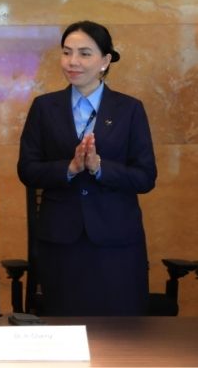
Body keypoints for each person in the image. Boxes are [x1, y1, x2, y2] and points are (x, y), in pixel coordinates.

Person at [18, 20, 156, 315]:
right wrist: (69, 168)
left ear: (105, 61)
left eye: (84, 53)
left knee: (121, 332)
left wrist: (99, 167)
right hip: (61, 241)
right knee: (63, 327)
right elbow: (27, 170)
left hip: (116, 242)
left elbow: (145, 177)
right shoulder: (44, 107)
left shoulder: (129, 109)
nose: (73, 61)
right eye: (67, 52)